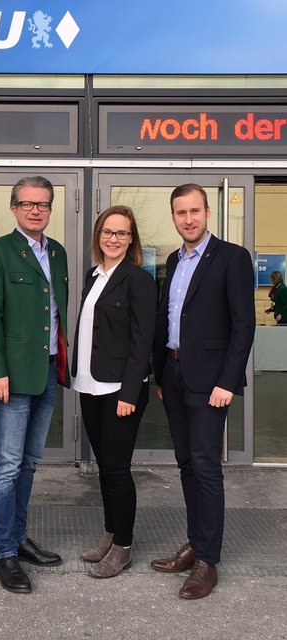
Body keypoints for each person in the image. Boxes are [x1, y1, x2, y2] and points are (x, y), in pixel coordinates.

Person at [151, 183, 255, 599]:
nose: (188, 219)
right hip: (175, 377)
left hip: (212, 382)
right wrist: (161, 375)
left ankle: (208, 561)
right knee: (186, 464)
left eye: (195, 211)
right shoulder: (174, 259)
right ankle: (195, 544)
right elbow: (170, 318)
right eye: (180, 212)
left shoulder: (232, 257)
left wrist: (227, 382)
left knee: (207, 468)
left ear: (207, 212)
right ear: (173, 216)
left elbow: (243, 325)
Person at [0, 176, 70, 594]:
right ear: (14, 207)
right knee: (7, 466)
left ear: (50, 209)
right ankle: (5, 553)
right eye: (28, 204)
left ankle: (18, 536)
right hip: (11, 376)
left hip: (48, 371)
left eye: (43, 204)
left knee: (30, 462)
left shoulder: (59, 253)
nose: (36, 210)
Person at [71, 206, 156, 578]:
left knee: (118, 470)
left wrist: (130, 392)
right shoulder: (94, 275)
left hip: (120, 389)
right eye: (108, 232)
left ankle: (123, 546)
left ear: (132, 239)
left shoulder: (138, 279)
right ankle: (111, 532)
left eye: (122, 233)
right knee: (105, 467)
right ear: (98, 235)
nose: (114, 239)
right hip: (89, 384)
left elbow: (143, 341)